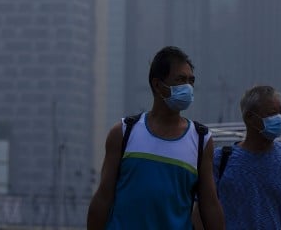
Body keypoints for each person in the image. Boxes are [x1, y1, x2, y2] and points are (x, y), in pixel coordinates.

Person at [87, 46, 224, 230]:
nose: (188, 88)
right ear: (158, 85)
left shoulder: (201, 140)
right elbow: (103, 197)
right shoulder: (124, 133)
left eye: (191, 81)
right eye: (180, 80)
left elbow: (210, 205)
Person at [213, 85, 281, 230]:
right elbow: (201, 211)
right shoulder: (220, 159)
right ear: (249, 117)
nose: (279, 119)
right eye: (272, 114)